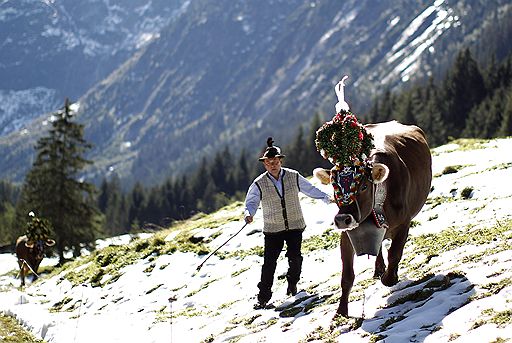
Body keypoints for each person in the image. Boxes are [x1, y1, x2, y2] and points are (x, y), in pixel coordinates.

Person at [244, 137, 332, 309]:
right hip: (273, 228)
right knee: (269, 264)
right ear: (265, 164)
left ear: (280, 161)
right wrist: (249, 214)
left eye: (275, 161)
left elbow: (310, 190)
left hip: (295, 225)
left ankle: (292, 283)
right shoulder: (259, 183)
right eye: (269, 162)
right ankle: (263, 297)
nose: (272, 165)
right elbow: (251, 202)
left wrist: (327, 198)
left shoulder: (293, 176)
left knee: (295, 258)